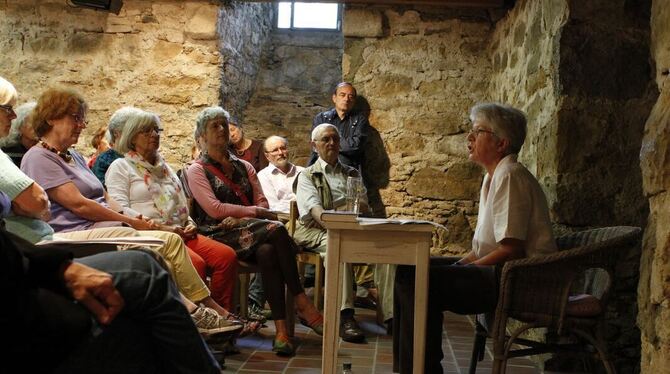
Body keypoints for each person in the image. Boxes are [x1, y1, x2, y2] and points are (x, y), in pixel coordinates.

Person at [20, 87, 241, 334]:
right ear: (51, 117)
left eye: (83, 119)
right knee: (155, 248)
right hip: (76, 231)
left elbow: (104, 196)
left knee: (171, 241)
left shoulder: (74, 156)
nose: (82, 125)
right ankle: (192, 313)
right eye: (76, 117)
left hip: (106, 226)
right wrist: (130, 220)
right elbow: (79, 204)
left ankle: (206, 310)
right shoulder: (38, 157)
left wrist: (133, 217)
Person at [393, 103, 558, 373]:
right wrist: (458, 265)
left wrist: (464, 269)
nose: (469, 138)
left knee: (418, 281)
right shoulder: (491, 177)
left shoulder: (511, 175)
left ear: (501, 143)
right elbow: (483, 248)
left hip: (517, 277)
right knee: (410, 269)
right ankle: (409, 368)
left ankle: (423, 370)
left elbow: (511, 249)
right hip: (497, 271)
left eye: (477, 132)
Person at [186, 106, 323, 356]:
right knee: (277, 228)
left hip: (251, 232)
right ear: (202, 136)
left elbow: (262, 202)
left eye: (224, 125)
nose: (221, 129)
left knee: (269, 251)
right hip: (218, 232)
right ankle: (301, 301)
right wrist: (252, 214)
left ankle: (281, 331)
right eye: (214, 126)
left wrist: (246, 216)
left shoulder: (244, 167)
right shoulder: (196, 170)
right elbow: (215, 210)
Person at [1, 225, 222, 374]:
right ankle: (197, 317)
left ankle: (200, 314)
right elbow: (55, 203)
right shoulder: (38, 159)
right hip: (22, 280)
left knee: (155, 258)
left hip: (25, 256)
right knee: (144, 269)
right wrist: (55, 266)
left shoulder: (74, 160)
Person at [105, 110, 239, 311]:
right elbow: (120, 209)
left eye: (156, 130)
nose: (154, 135)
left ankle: (222, 315)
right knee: (197, 263)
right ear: (132, 137)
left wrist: (190, 222)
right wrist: (163, 228)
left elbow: (182, 203)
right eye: (146, 131)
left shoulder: (164, 167)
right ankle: (201, 323)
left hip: (181, 231)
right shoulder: (121, 167)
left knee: (226, 257)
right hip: (153, 233)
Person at [295, 123, 367, 343]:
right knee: (340, 246)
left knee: (387, 248)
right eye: (326, 139)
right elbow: (317, 214)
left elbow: (363, 205)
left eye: (335, 139)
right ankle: (345, 316)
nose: (332, 143)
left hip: (350, 229)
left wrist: (342, 213)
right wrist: (344, 212)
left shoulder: (351, 173)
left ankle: (393, 315)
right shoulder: (307, 176)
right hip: (314, 230)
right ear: (314, 146)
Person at [308, 82, 369, 171]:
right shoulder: (321, 118)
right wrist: (344, 144)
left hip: (348, 171)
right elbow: (316, 144)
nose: (346, 99)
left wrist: (328, 142)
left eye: (351, 96)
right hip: (321, 170)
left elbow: (356, 146)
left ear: (354, 101)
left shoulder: (360, 120)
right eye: (342, 95)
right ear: (334, 98)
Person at [92, 106, 142, 187]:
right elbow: (103, 193)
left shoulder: (144, 156)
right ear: (117, 133)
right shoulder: (104, 161)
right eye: (134, 130)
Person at [257, 135, 304, 213]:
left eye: (283, 148)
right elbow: (274, 207)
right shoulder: (263, 176)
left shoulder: (302, 172)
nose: (280, 153)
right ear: (267, 155)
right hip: (284, 219)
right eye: (275, 150)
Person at [0, 101, 38, 166]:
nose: (38, 126)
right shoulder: (8, 152)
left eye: (41, 121)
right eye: (33, 121)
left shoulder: (47, 149)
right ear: (20, 125)